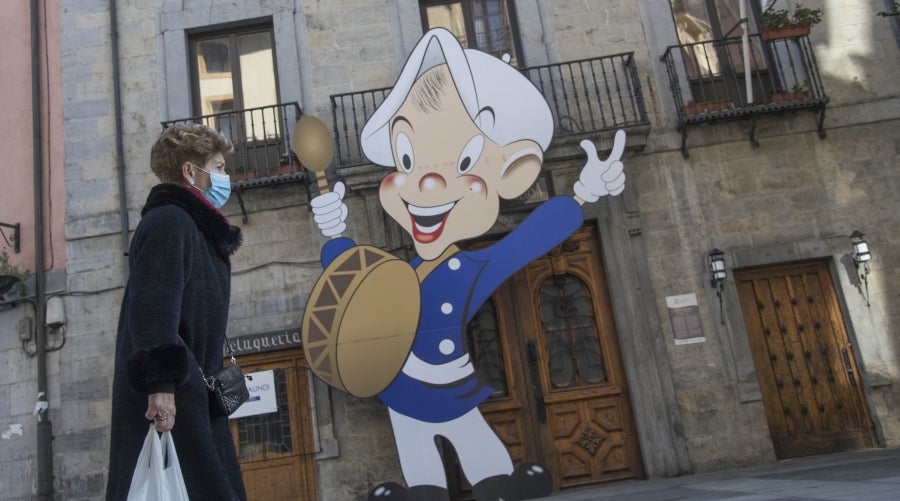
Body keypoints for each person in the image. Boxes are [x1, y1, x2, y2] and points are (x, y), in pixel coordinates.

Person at [309, 28, 625, 501]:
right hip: (398, 386)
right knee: (420, 464)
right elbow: (351, 277)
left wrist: (583, 194)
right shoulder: (398, 273)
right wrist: (334, 231)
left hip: (447, 384)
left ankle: (497, 484)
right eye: (409, 158)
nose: (427, 184)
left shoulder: (471, 270)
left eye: (462, 162)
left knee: (480, 454)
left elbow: (525, 243)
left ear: (512, 171)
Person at [106, 124, 247, 500]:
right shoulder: (170, 222)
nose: (225, 176)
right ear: (190, 172)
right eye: (218, 167)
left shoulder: (191, 226)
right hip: (175, 401)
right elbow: (152, 312)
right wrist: (161, 389)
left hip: (192, 395)